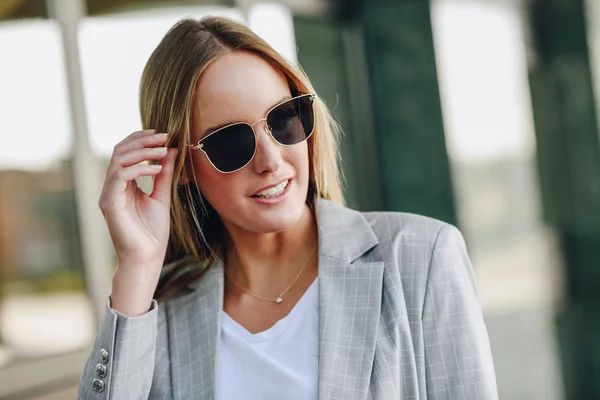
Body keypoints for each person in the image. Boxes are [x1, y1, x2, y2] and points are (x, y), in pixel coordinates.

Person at [78, 16, 498, 400]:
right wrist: (137, 266)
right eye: (231, 142)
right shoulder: (160, 313)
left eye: (284, 119)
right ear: (181, 167)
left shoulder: (421, 258)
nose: (272, 160)